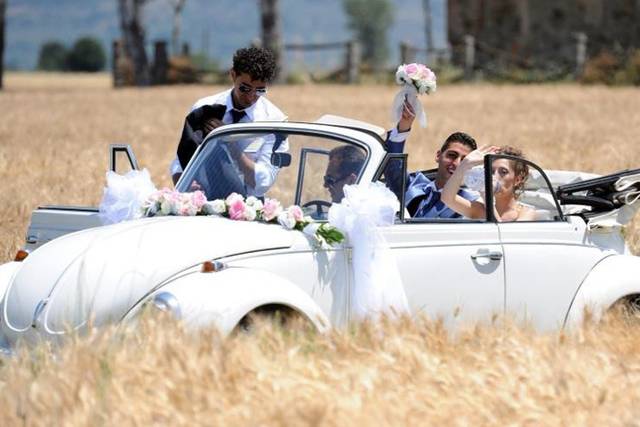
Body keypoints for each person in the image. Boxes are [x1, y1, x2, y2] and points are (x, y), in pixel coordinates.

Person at [170, 46, 287, 197]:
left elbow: (262, 183)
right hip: (201, 202)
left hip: (249, 209)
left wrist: (229, 143)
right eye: (245, 88)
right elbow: (181, 162)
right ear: (233, 75)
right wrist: (186, 187)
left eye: (260, 91)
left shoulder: (275, 121)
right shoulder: (205, 108)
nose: (251, 97)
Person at [384, 102, 479, 218]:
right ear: (438, 156)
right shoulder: (414, 185)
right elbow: (393, 166)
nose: (456, 163)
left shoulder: (470, 203)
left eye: (464, 161)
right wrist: (404, 125)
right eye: (452, 155)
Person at [441, 145, 536, 221]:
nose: (494, 176)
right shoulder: (479, 210)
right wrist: (465, 164)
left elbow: (504, 237)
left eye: (503, 172)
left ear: (518, 180)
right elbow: (447, 198)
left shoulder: (526, 213)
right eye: (491, 171)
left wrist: (487, 197)